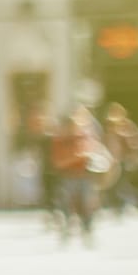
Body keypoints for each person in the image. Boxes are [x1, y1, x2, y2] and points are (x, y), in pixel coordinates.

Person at [50, 104, 108, 246]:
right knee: (66, 206)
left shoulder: (85, 137)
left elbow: (95, 151)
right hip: (68, 176)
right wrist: (75, 157)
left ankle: (87, 232)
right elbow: (58, 162)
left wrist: (90, 155)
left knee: (88, 205)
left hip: (85, 176)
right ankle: (66, 232)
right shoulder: (60, 140)